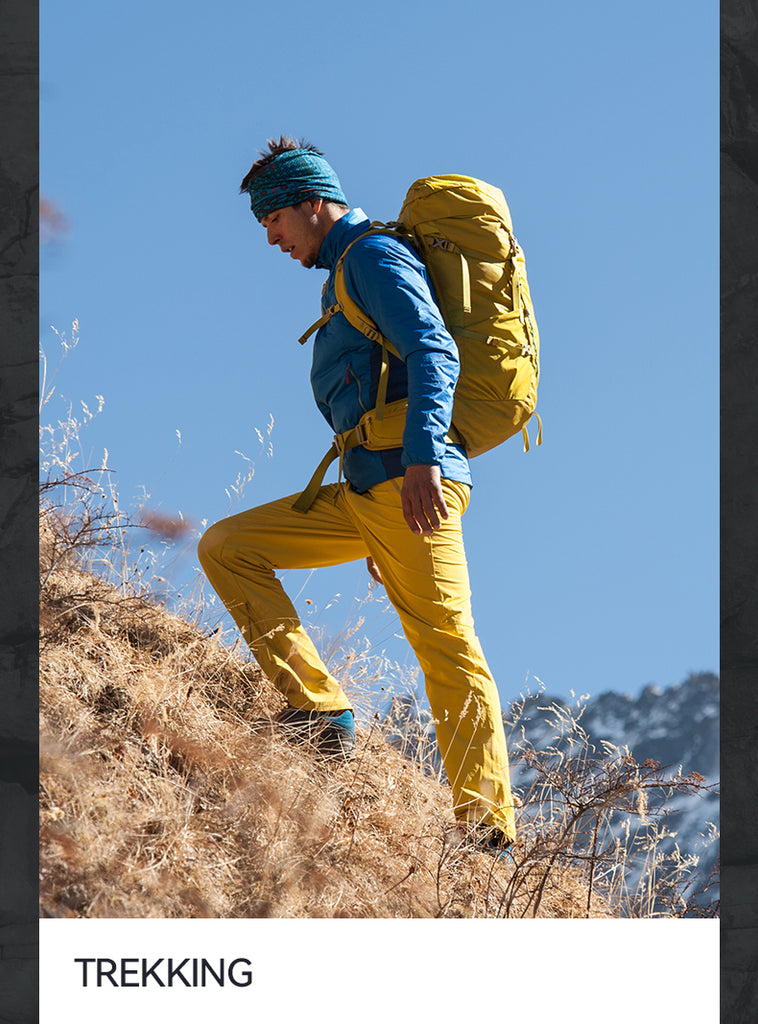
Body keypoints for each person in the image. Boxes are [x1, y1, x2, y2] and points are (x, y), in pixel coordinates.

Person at [198, 136, 517, 852]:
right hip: (371, 489)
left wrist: (422, 462)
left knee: (446, 646)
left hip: (411, 480)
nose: (270, 238)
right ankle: (320, 711)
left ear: (310, 202)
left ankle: (486, 826)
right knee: (229, 546)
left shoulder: (371, 257)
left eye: (272, 220)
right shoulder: (343, 269)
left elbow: (434, 350)